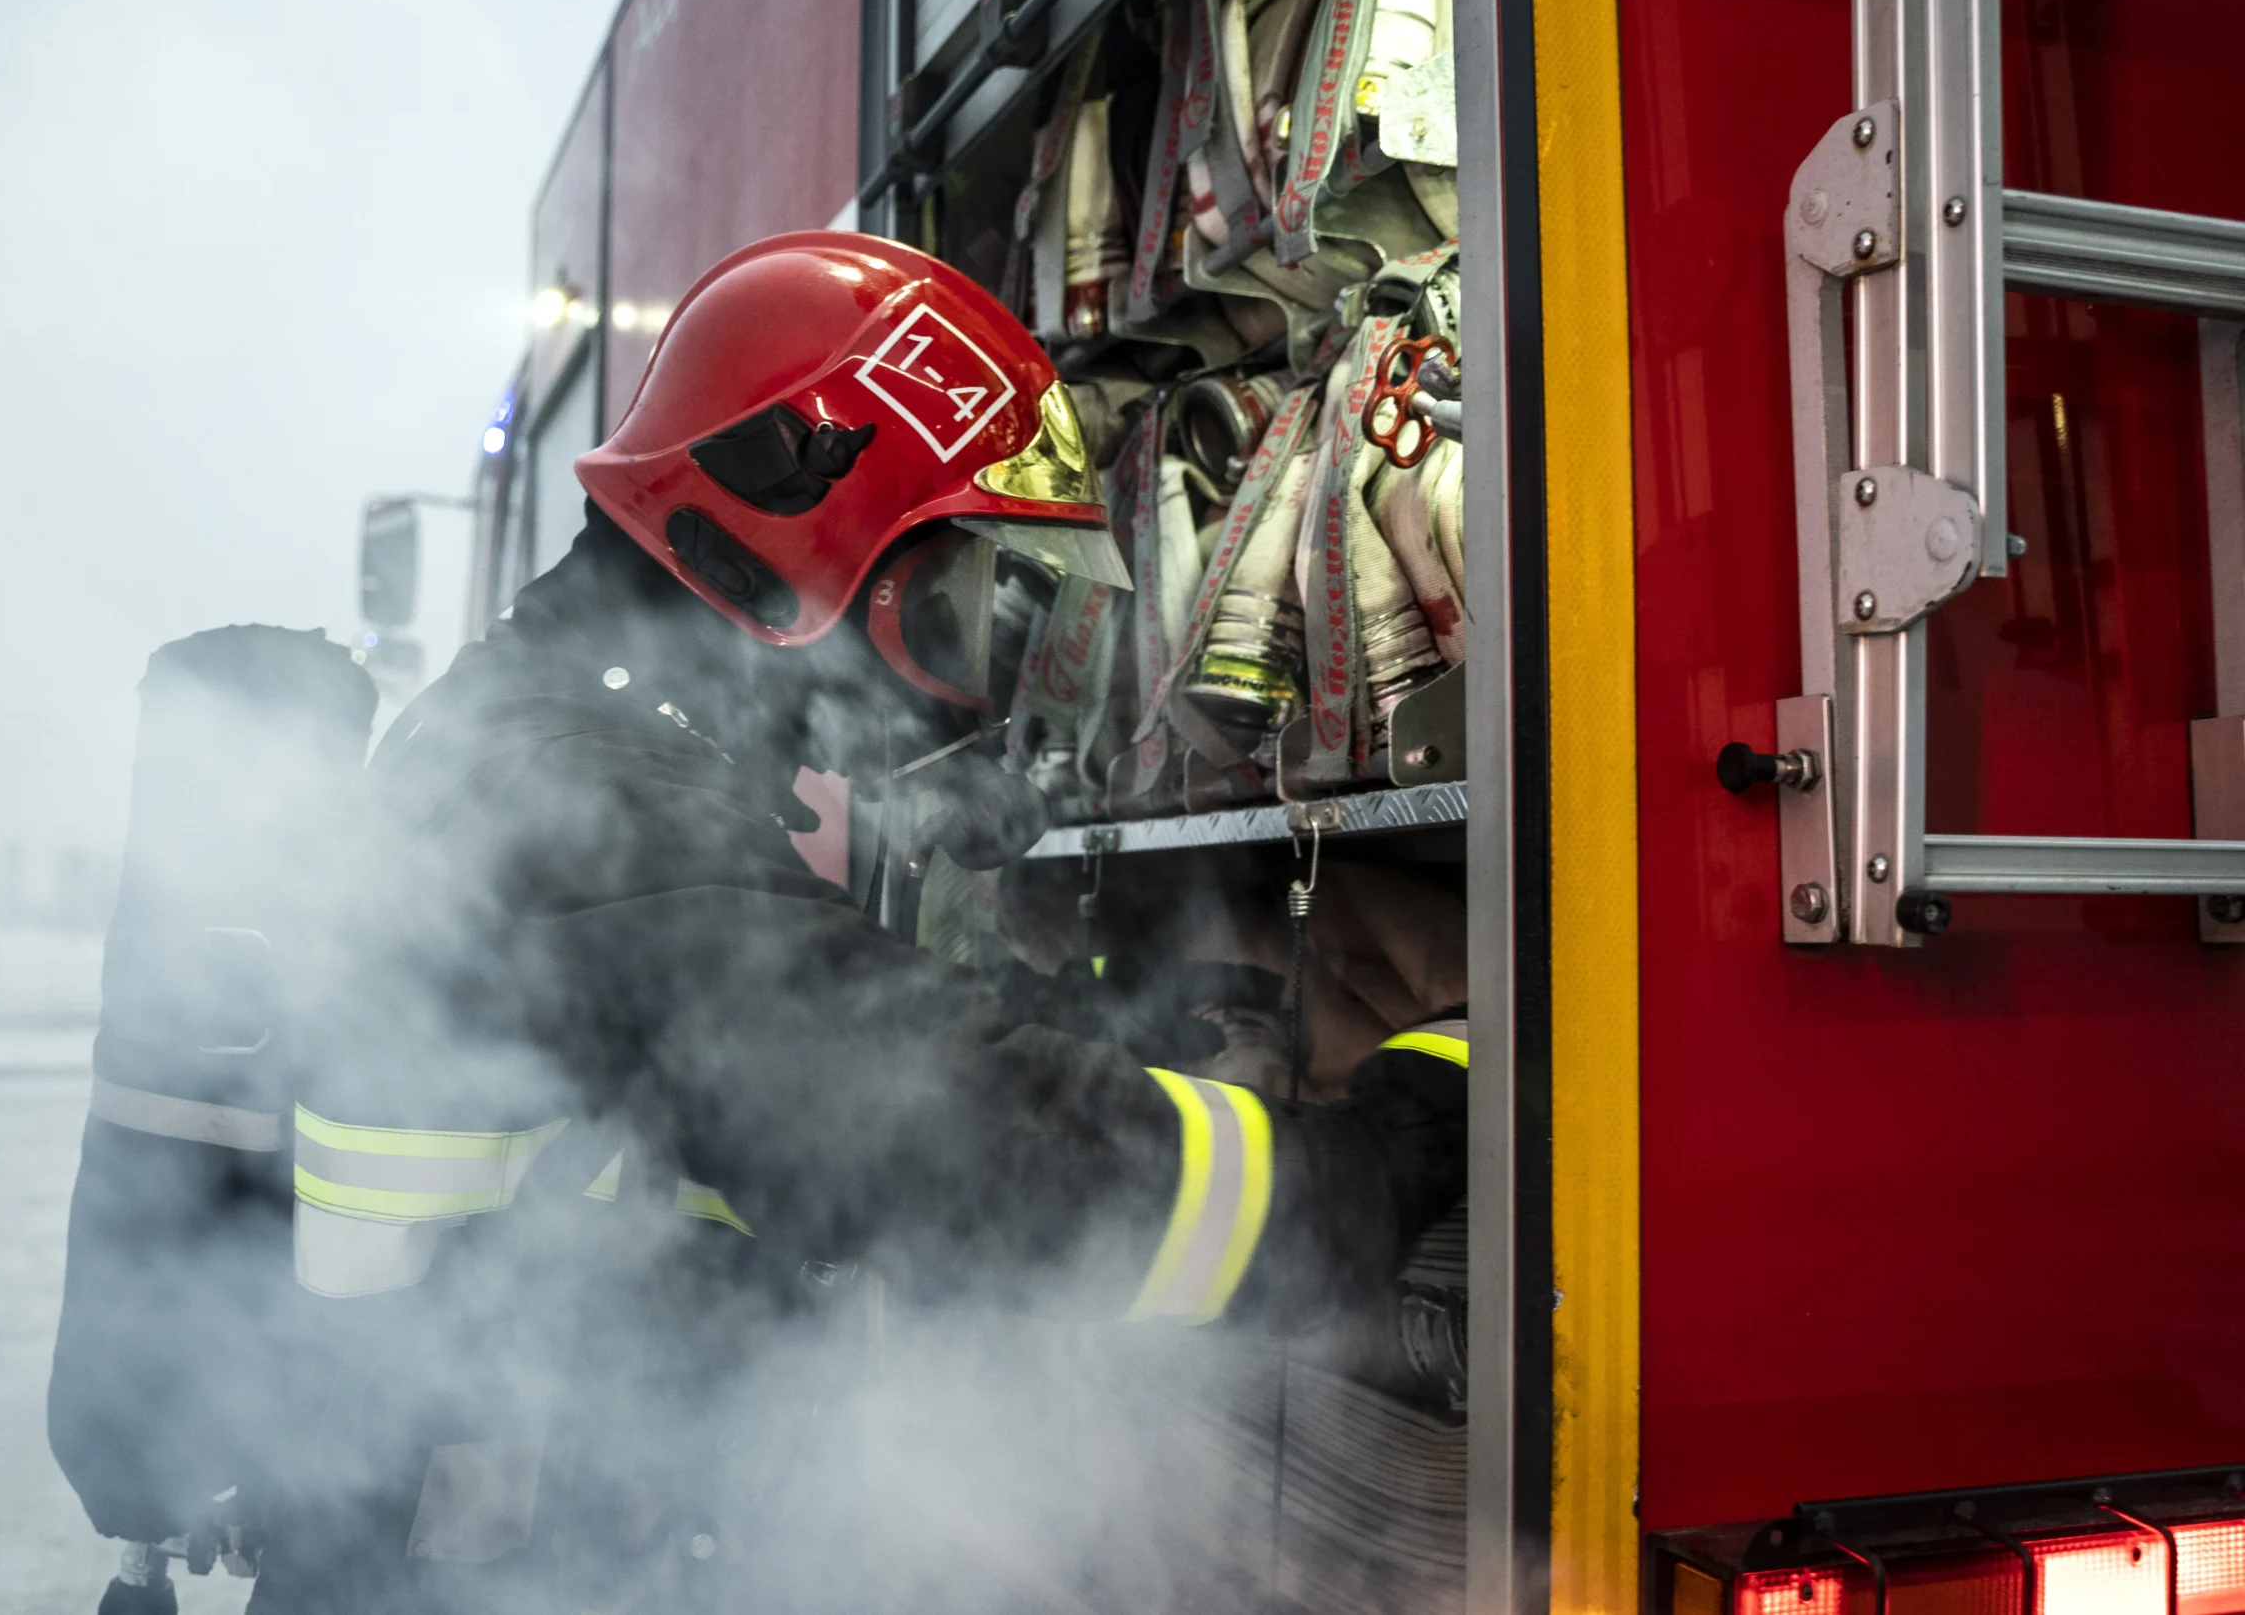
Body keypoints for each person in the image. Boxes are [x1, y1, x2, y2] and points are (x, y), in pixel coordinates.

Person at [250, 231, 1466, 1612]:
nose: (975, 685)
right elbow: (975, 1160)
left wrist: (1093, 1025)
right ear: (796, 530)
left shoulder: (550, 732)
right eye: (959, 605)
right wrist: (1380, 1155)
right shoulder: (600, 804)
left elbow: (746, 1061)